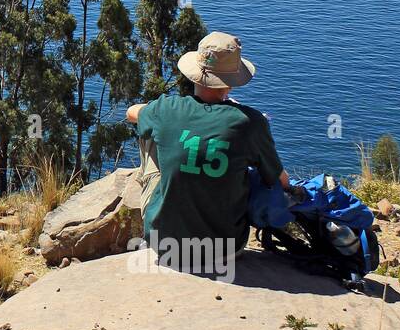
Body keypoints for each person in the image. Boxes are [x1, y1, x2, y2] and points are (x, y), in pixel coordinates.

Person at [125, 31, 298, 266]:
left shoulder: (166, 109)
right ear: (231, 82)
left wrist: (159, 112)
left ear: (195, 73)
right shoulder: (250, 122)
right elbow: (281, 182)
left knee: (151, 134)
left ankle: (164, 206)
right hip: (226, 250)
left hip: (166, 246)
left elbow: (131, 113)